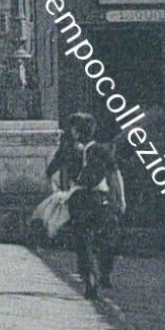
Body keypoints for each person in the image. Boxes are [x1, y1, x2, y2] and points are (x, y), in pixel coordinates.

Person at [47, 112, 125, 299]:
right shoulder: (102, 150)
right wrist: (121, 199)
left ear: (77, 131)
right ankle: (104, 273)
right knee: (105, 238)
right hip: (100, 198)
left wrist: (57, 192)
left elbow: (49, 172)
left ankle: (89, 277)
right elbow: (115, 176)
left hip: (78, 198)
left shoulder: (67, 150)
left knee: (83, 240)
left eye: (73, 128)